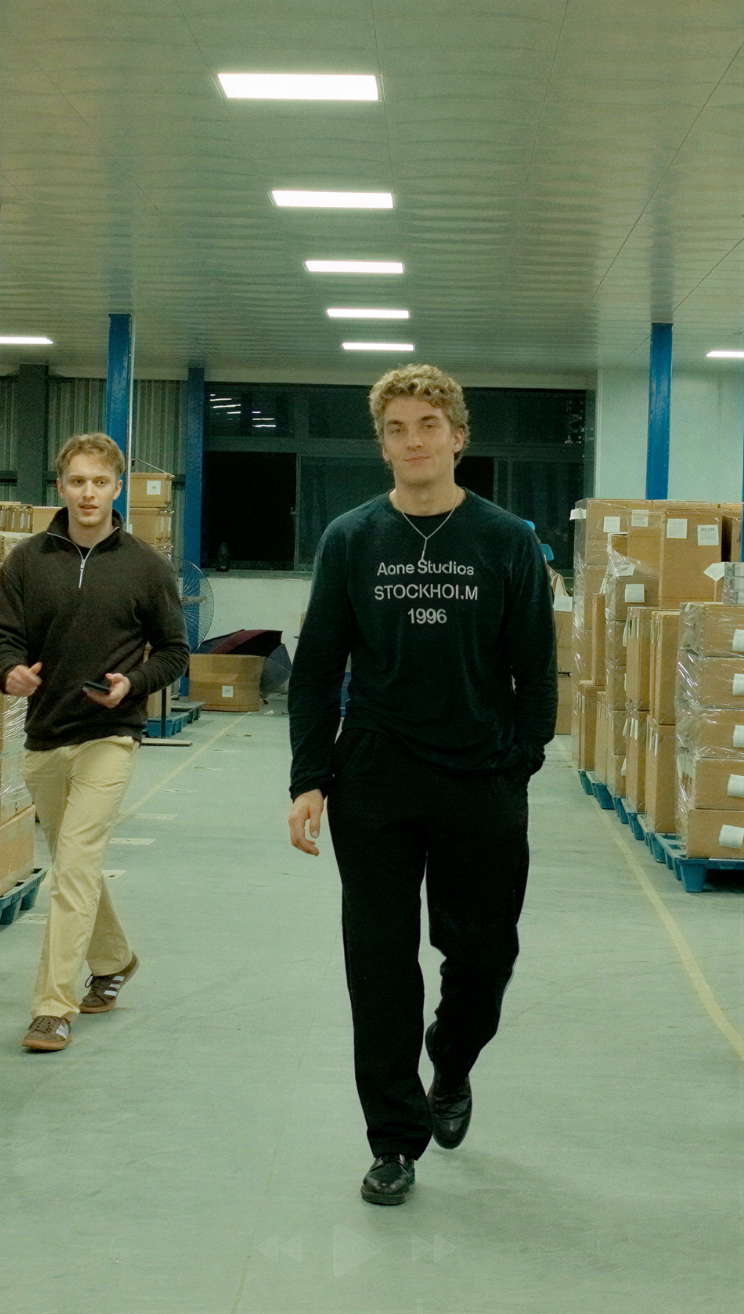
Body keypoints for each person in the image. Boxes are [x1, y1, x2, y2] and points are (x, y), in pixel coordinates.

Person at [286, 364, 556, 1205]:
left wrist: (516, 762)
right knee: (378, 962)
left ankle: (454, 1061)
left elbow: (536, 672)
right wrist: (309, 779)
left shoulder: (507, 539)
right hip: (375, 777)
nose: (413, 442)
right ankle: (393, 1140)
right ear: (383, 444)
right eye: (397, 429)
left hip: (480, 778)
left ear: (457, 436)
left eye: (428, 426)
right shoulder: (352, 538)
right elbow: (317, 666)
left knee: (484, 955)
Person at [0, 432, 189, 1052]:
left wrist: (133, 684)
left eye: (99, 482)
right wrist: (10, 674)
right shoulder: (26, 561)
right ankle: (114, 959)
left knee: (72, 867)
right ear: (61, 487)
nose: (88, 493)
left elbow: (177, 653)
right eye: (77, 481)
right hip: (46, 735)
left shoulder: (145, 567)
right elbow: (2, 641)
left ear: (116, 488)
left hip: (110, 734)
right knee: (74, 866)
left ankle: (53, 1006)